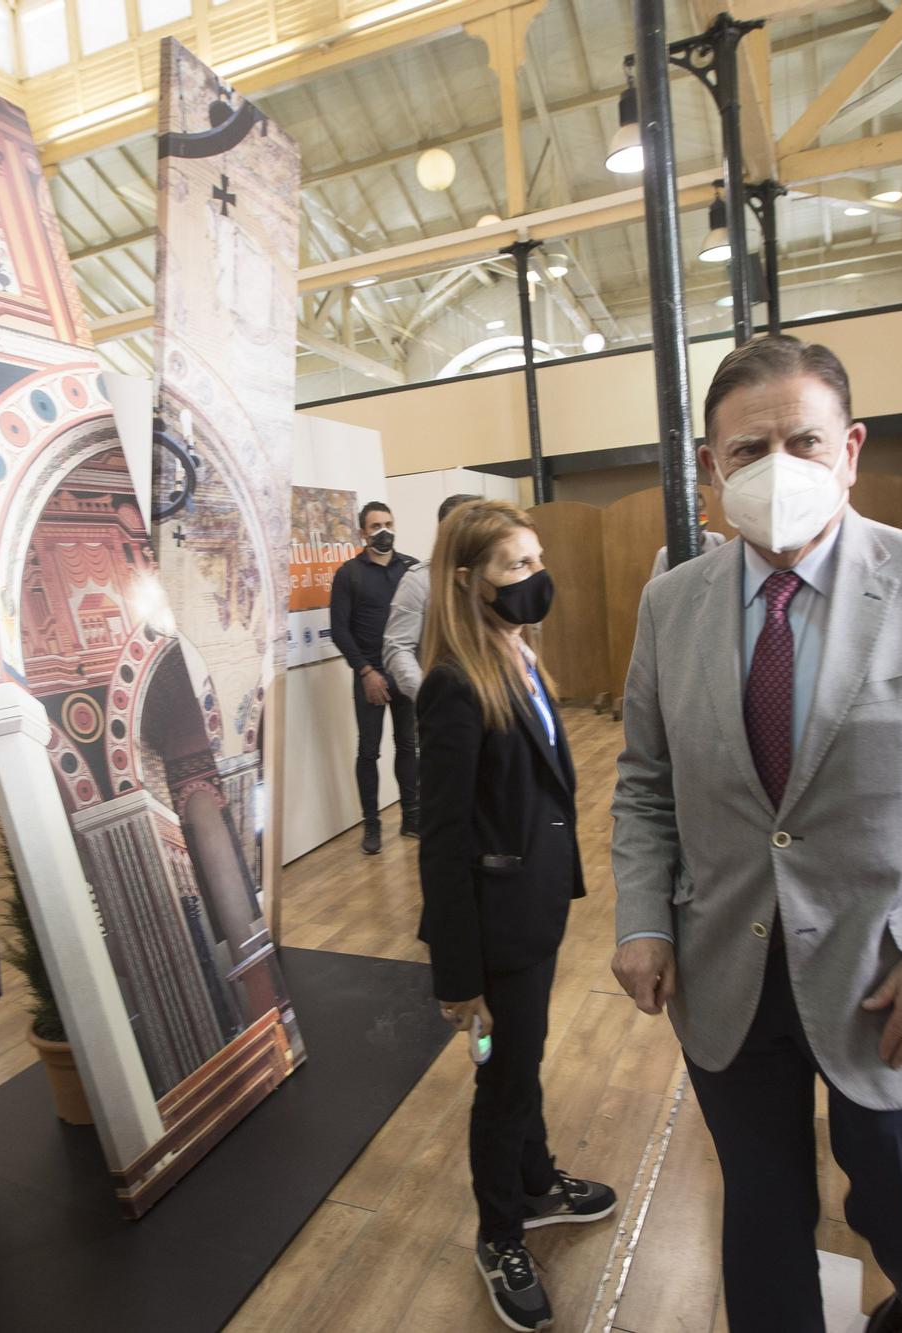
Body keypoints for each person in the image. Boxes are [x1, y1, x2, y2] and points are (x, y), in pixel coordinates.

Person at [611, 335, 902, 1333]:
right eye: (745, 449)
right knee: (761, 1211)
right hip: (728, 972)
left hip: (898, 979)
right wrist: (642, 919)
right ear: (708, 465)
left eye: (803, 439)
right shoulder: (670, 603)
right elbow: (645, 785)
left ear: (851, 447)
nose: (775, 466)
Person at [417, 499, 617, 1333]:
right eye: (514, 566)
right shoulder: (454, 684)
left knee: (525, 1055)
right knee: (502, 1075)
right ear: (467, 580)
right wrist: (458, 976)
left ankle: (535, 1183)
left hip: (533, 906)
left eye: (536, 561)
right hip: (494, 927)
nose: (536, 579)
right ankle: (501, 1230)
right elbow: (444, 838)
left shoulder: (516, 654)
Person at [329, 500, 420, 854]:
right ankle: (372, 825)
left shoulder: (411, 569)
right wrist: (365, 671)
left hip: (406, 671)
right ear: (362, 533)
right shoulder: (348, 574)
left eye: (388, 523)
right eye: (375, 526)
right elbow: (339, 630)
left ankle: (413, 818)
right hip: (369, 675)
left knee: (408, 746)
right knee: (368, 751)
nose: (384, 531)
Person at [381, 492, 481, 701]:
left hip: (496, 699)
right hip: (448, 706)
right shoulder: (419, 581)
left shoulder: (490, 575)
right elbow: (397, 648)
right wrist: (430, 696)